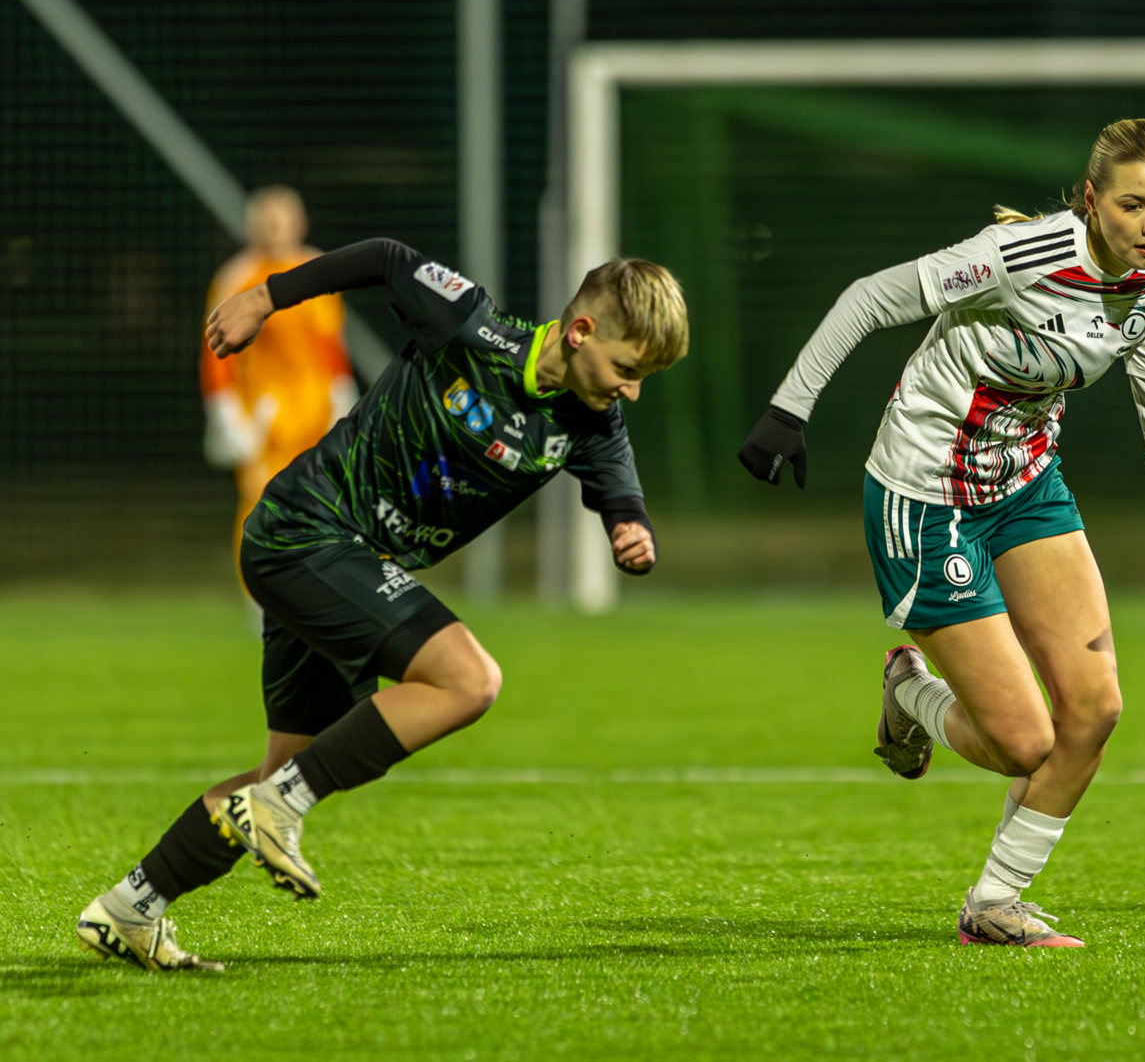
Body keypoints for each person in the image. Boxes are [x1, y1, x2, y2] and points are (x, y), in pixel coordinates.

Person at [76, 238, 688, 971]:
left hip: (346, 567)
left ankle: (131, 906)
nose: (631, 390)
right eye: (628, 369)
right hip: (305, 530)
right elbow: (385, 257)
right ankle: (282, 807)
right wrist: (265, 296)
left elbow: (622, 493)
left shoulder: (589, 422)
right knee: (470, 680)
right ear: (582, 331)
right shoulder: (469, 323)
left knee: (280, 769)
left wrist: (631, 531)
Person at [738, 119, 1145, 947]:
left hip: (1028, 488)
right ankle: (912, 694)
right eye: (1134, 204)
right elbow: (868, 297)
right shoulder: (1026, 255)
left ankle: (995, 904)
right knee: (1023, 741)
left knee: (1094, 711)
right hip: (923, 498)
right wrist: (791, 406)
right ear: (1090, 200)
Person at [200, 186, 357, 584]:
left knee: (330, 502)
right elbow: (215, 352)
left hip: (317, 411)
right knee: (263, 504)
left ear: (300, 222)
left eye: (281, 217)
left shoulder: (319, 269)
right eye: (265, 218)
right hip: (267, 417)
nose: (273, 227)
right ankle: (264, 598)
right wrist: (227, 413)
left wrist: (342, 395)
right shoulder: (237, 277)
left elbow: (330, 341)